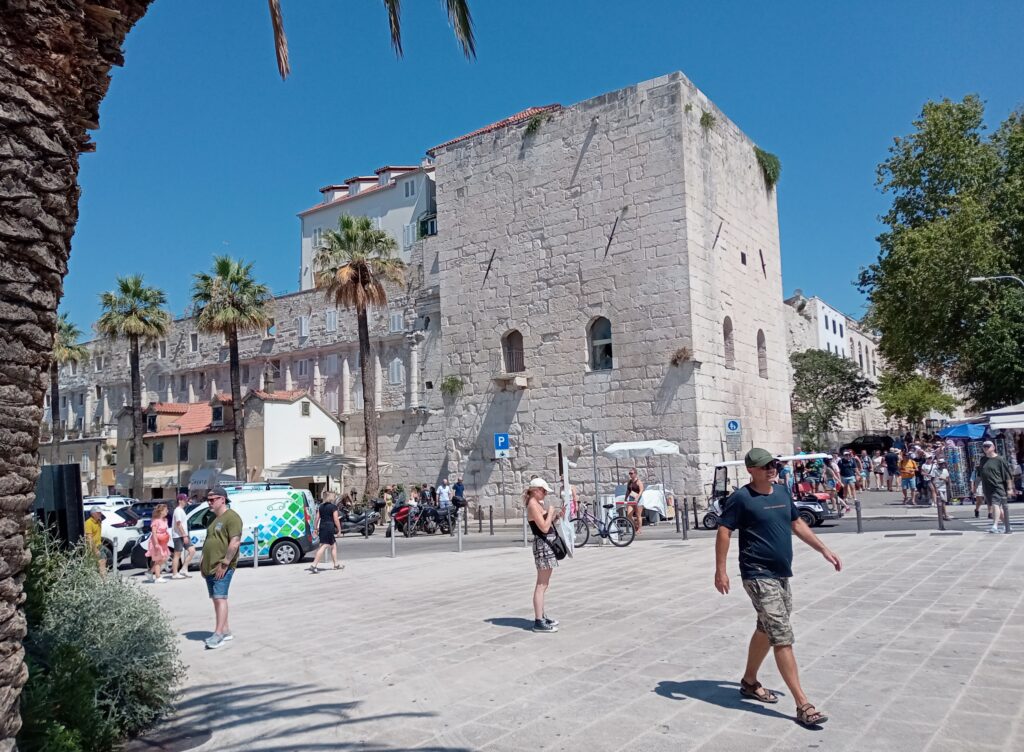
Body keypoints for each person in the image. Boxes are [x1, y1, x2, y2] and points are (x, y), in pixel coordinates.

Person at [715, 448, 842, 727]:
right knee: (782, 634)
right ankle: (803, 704)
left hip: (781, 573)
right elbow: (724, 531)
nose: (771, 468)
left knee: (767, 626)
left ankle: (749, 681)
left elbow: (796, 523)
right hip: (757, 573)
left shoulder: (783, 492)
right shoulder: (741, 498)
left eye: (773, 464)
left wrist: (823, 549)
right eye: (765, 466)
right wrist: (720, 571)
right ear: (751, 470)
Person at [201, 487, 243, 649]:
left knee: (220, 598)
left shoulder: (232, 518)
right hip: (209, 565)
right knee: (216, 598)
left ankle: (218, 634)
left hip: (223, 566)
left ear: (222, 500)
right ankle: (225, 630)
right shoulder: (212, 518)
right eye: (208, 500)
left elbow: (235, 542)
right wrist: (203, 562)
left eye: (212, 499)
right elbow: (208, 540)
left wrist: (225, 563)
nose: (209, 502)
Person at [525, 477, 561, 633]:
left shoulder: (537, 504)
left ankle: (542, 616)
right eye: (544, 491)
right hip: (542, 545)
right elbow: (544, 528)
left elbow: (548, 523)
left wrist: (557, 515)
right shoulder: (532, 505)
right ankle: (538, 621)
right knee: (541, 584)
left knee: (544, 584)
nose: (546, 494)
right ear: (536, 490)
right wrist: (551, 511)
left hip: (547, 545)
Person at [978, 440, 1015, 534]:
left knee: (995, 505)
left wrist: (1010, 488)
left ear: (993, 447)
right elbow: (980, 474)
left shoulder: (999, 459)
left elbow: (1007, 475)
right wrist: (975, 486)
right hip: (987, 487)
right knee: (998, 508)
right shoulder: (983, 459)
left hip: (997, 486)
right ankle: (1008, 526)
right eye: (984, 446)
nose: (986, 448)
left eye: (988, 446)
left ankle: (995, 525)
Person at [310, 492, 344, 573]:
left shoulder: (321, 506)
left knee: (333, 545)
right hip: (329, 527)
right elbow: (336, 519)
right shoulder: (333, 507)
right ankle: (314, 565)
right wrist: (339, 529)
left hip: (322, 527)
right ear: (331, 498)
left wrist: (315, 528)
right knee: (324, 545)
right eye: (334, 496)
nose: (335, 498)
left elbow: (317, 518)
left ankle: (336, 564)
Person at [171, 493, 196, 579]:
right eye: (184, 500)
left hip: (183, 534)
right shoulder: (177, 510)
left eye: (186, 500)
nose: (186, 502)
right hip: (178, 535)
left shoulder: (181, 510)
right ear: (179, 501)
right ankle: (175, 573)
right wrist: (184, 535)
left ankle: (184, 569)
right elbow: (178, 524)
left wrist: (185, 535)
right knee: (177, 554)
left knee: (192, 550)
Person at [145, 503, 171, 584]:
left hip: (163, 542)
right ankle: (158, 577)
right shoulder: (156, 521)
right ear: (161, 511)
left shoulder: (165, 520)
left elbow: (165, 530)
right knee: (158, 559)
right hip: (156, 542)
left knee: (164, 558)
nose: (167, 511)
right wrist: (156, 543)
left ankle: (150, 572)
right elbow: (154, 532)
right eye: (165, 510)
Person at [85, 507, 106, 576]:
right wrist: (95, 550)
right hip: (93, 546)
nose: (100, 514)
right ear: (93, 514)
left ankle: (103, 578)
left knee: (103, 561)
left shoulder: (98, 521)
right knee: (101, 562)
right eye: (98, 513)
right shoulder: (88, 523)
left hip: (99, 545)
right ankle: (104, 579)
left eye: (100, 512)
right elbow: (89, 538)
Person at [624, 468, 645, 534]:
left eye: (631, 473)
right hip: (631, 499)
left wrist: (637, 497)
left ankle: (639, 529)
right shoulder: (629, 482)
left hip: (638, 499)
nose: (630, 475)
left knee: (638, 515)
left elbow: (641, 490)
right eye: (629, 473)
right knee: (629, 515)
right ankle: (635, 526)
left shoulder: (639, 482)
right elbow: (628, 490)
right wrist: (625, 498)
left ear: (635, 474)